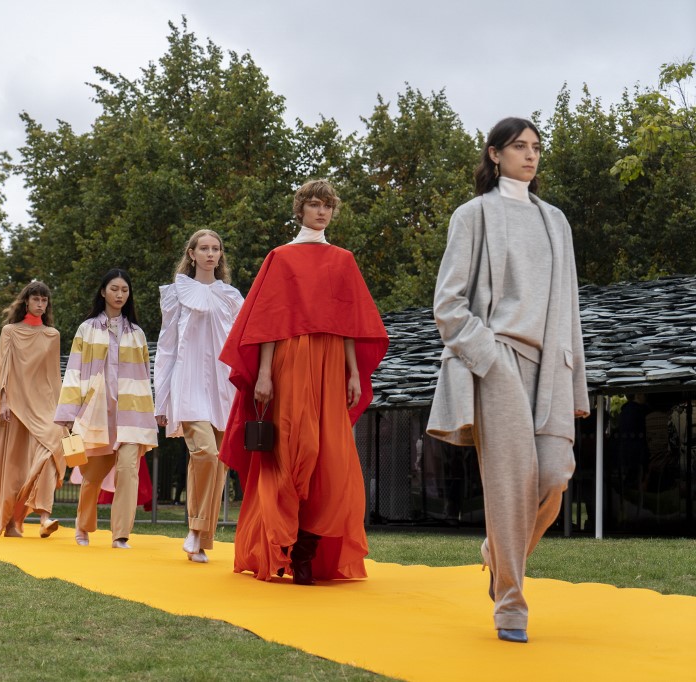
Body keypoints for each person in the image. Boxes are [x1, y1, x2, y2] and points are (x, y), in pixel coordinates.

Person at [427, 117, 589, 644]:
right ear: (494, 154)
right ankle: (512, 606)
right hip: (498, 361)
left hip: (553, 368)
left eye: (536, 147)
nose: (531, 155)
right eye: (519, 146)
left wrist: (577, 382)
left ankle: (496, 555)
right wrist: (487, 356)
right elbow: (448, 304)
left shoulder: (555, 222)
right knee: (511, 483)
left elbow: (570, 310)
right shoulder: (473, 215)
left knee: (554, 477)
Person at [219, 180, 389, 585]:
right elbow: (267, 323)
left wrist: (352, 371)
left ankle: (307, 552)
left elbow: (349, 323)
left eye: (327, 205)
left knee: (330, 457)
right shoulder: (281, 257)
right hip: (290, 362)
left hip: (331, 363)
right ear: (301, 210)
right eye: (314, 204)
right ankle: (283, 544)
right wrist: (263, 374)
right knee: (295, 448)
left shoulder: (344, 260)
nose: (321, 212)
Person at [154, 229, 244, 563]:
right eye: (203, 248)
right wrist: (160, 401)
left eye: (215, 248)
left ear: (221, 255)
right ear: (191, 254)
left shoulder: (232, 296)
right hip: (188, 382)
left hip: (224, 387)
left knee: (218, 461)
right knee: (205, 453)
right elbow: (165, 347)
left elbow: (242, 345)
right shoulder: (176, 293)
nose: (210, 254)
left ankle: (200, 537)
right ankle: (195, 528)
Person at [55, 269, 158, 549]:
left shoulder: (136, 334)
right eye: (114, 289)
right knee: (92, 478)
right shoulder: (87, 329)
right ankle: (83, 526)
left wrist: (150, 413)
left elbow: (144, 378)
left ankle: (120, 534)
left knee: (128, 471)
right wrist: (67, 414)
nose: (119, 294)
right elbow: (74, 371)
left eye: (124, 290)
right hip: (97, 413)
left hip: (130, 414)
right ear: (103, 292)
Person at [0, 281, 68, 538]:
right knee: (14, 467)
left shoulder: (53, 335)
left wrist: (63, 412)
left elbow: (54, 376)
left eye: (44, 300)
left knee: (51, 450)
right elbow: (3, 366)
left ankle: (44, 516)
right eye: (36, 299)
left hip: (43, 406)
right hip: (15, 406)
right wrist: (4, 401)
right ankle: (8, 523)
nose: (41, 304)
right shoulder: (10, 331)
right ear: (26, 301)